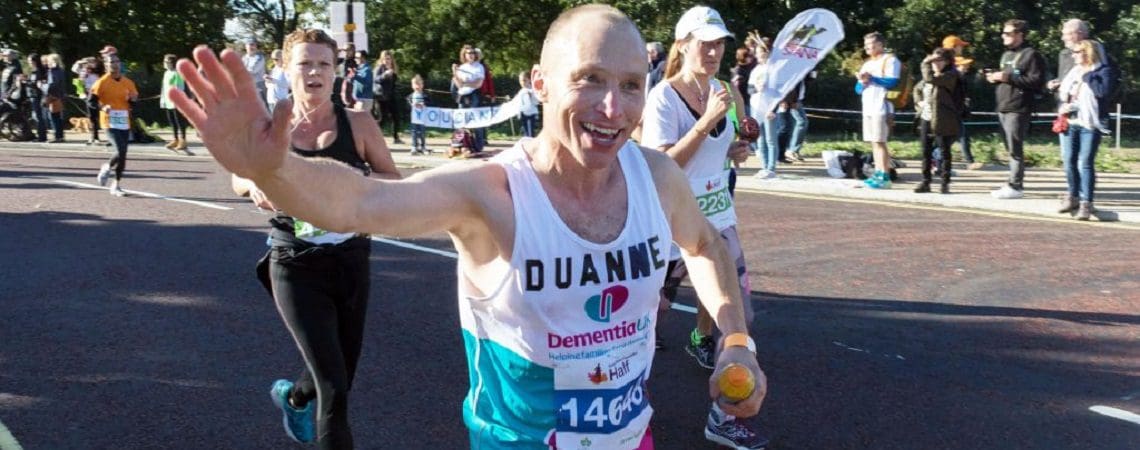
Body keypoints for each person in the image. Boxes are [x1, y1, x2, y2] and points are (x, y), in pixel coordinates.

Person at [170, 4, 765, 449]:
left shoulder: (656, 177)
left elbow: (706, 245)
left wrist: (737, 341)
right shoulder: (491, 192)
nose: (614, 109)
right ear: (540, 84)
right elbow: (361, 201)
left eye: (632, 85)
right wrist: (273, 168)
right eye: (589, 79)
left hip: (633, 438)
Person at [226, 29, 402, 448]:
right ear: (286, 69)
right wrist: (253, 186)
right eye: (304, 63)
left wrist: (344, 182)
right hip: (294, 262)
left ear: (336, 71)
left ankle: (292, 396)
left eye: (324, 63)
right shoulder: (269, 126)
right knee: (334, 388)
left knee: (339, 374)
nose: (314, 72)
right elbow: (237, 175)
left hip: (351, 259)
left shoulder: (358, 123)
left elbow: (394, 182)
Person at [640, 6, 766, 450]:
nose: (714, 51)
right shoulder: (662, 97)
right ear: (683, 45)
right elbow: (661, 165)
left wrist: (736, 149)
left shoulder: (727, 90)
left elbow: (724, 145)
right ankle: (630, 415)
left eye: (720, 43)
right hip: (669, 227)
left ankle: (725, 417)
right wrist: (707, 121)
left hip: (718, 220)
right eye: (705, 43)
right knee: (641, 327)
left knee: (740, 322)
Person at [985, 19, 1046, 199]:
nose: (1003, 36)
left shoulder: (1031, 55)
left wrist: (1007, 77)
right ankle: (1012, 181)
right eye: (1003, 33)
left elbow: (1036, 81)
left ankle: (1016, 185)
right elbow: (1007, 78)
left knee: (1015, 147)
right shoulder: (1005, 55)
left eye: (1008, 33)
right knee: (1009, 147)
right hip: (1003, 105)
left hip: (1018, 107)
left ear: (1020, 35)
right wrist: (994, 78)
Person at [1056, 39, 1114, 220]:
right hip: (1070, 121)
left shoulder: (1103, 71)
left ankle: (1086, 202)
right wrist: (1064, 104)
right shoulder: (1073, 72)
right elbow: (1065, 93)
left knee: (1085, 162)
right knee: (1068, 160)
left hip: (1090, 123)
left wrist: (1087, 77)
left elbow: (1102, 92)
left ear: (1088, 53)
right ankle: (1072, 195)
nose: (1073, 55)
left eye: (1078, 51)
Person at [855, 32, 901, 189]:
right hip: (867, 105)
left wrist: (872, 78)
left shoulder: (890, 59)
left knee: (881, 141)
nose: (868, 48)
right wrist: (862, 82)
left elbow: (893, 81)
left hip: (881, 105)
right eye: (866, 45)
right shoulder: (866, 63)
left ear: (881, 45)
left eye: (872, 45)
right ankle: (877, 173)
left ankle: (885, 176)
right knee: (873, 142)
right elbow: (858, 89)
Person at [912, 48, 961, 194]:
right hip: (926, 117)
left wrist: (924, 63)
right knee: (925, 151)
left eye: (939, 61)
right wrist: (919, 102)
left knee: (944, 151)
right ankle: (925, 181)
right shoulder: (929, 75)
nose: (935, 64)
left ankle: (945, 182)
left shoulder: (950, 75)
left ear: (947, 62)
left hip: (943, 118)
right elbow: (917, 89)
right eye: (933, 61)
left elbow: (930, 79)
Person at [92, 52, 138, 197]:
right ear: (106, 65)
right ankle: (107, 168)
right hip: (109, 121)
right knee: (120, 150)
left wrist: (133, 100)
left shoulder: (128, 82)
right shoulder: (101, 82)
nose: (115, 64)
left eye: (117, 61)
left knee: (123, 154)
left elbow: (133, 102)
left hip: (124, 120)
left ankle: (116, 184)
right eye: (111, 62)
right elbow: (91, 101)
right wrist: (103, 107)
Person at [941, 35, 982, 170]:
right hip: (948, 108)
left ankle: (937, 160)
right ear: (953, 47)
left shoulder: (950, 66)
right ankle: (936, 160)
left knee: (958, 136)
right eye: (960, 46)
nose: (962, 48)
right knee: (949, 138)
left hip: (954, 108)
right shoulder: (947, 65)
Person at [747, 38, 778, 178]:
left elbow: (778, 91)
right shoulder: (756, 70)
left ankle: (771, 168)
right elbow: (749, 88)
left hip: (769, 107)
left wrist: (773, 108)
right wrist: (755, 88)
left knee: (771, 139)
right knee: (759, 138)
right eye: (757, 53)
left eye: (760, 52)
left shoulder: (773, 70)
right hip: (756, 107)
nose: (757, 55)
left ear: (767, 52)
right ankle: (764, 166)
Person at [452, 44, 485, 152]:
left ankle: (478, 145)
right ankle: (459, 144)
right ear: (464, 55)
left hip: (474, 95)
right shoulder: (462, 68)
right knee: (461, 120)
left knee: (475, 120)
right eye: (468, 53)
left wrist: (467, 83)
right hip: (462, 95)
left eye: (472, 53)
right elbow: (459, 84)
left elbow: (478, 83)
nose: (471, 55)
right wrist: (455, 73)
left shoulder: (479, 67)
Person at [160, 54, 190, 153]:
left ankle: (183, 141)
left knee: (179, 121)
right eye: (165, 61)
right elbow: (164, 88)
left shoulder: (177, 73)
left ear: (172, 63)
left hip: (176, 102)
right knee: (172, 122)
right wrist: (163, 100)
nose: (165, 63)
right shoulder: (166, 73)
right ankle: (175, 139)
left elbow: (179, 87)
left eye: (167, 62)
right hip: (168, 101)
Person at [373, 50, 402, 145]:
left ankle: (396, 137)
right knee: (382, 118)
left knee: (396, 116)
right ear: (382, 59)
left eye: (389, 58)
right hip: (381, 96)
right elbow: (375, 80)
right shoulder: (379, 68)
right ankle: (375, 136)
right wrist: (384, 75)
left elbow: (394, 82)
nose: (387, 60)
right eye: (385, 59)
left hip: (391, 96)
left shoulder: (393, 68)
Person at [42, 54, 66, 143]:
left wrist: (42, 86)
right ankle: (60, 136)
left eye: (48, 61)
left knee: (53, 117)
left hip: (53, 96)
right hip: (59, 95)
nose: (47, 63)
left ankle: (57, 136)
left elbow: (52, 85)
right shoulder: (60, 70)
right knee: (58, 117)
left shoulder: (52, 72)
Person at [407, 74, 430, 154]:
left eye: (419, 84)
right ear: (412, 85)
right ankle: (414, 147)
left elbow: (429, 103)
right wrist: (411, 104)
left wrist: (424, 104)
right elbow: (408, 104)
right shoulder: (410, 96)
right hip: (414, 118)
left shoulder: (425, 96)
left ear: (422, 85)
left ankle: (423, 147)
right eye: (415, 84)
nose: (417, 86)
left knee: (422, 132)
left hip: (423, 118)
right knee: (414, 132)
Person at [243, 40, 267, 107]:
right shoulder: (244, 58)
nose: (252, 47)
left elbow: (253, 70)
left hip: (259, 85)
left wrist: (241, 72)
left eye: (254, 45)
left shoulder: (259, 58)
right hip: (247, 86)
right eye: (250, 44)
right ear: (246, 46)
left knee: (263, 107)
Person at [516, 70, 539, 138]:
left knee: (530, 132)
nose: (522, 83)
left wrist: (531, 96)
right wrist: (518, 113)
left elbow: (537, 102)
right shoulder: (521, 91)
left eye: (524, 80)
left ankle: (532, 145)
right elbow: (519, 103)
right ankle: (527, 145)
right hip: (523, 114)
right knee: (525, 132)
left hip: (531, 113)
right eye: (520, 81)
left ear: (529, 80)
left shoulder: (533, 90)